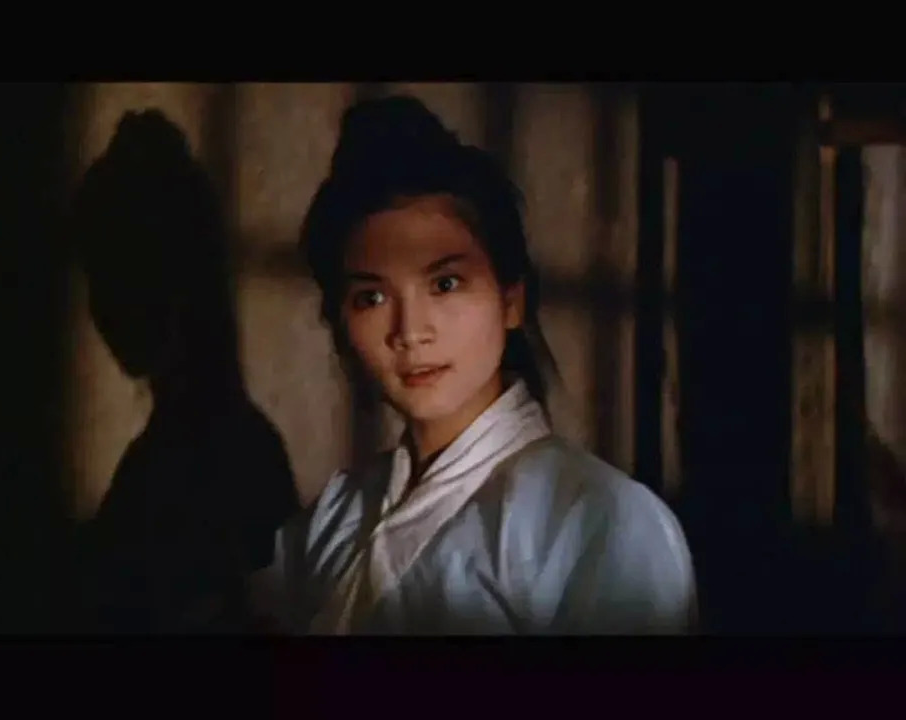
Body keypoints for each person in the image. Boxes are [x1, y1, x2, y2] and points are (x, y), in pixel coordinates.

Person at [268, 95, 697, 634]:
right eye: (371, 298)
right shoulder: (333, 518)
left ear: (511, 300)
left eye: (445, 284)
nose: (410, 331)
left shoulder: (598, 520)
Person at [61, 109, 299, 633]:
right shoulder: (212, 446)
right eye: (98, 283)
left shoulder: (216, 456)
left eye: (118, 280)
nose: (103, 310)